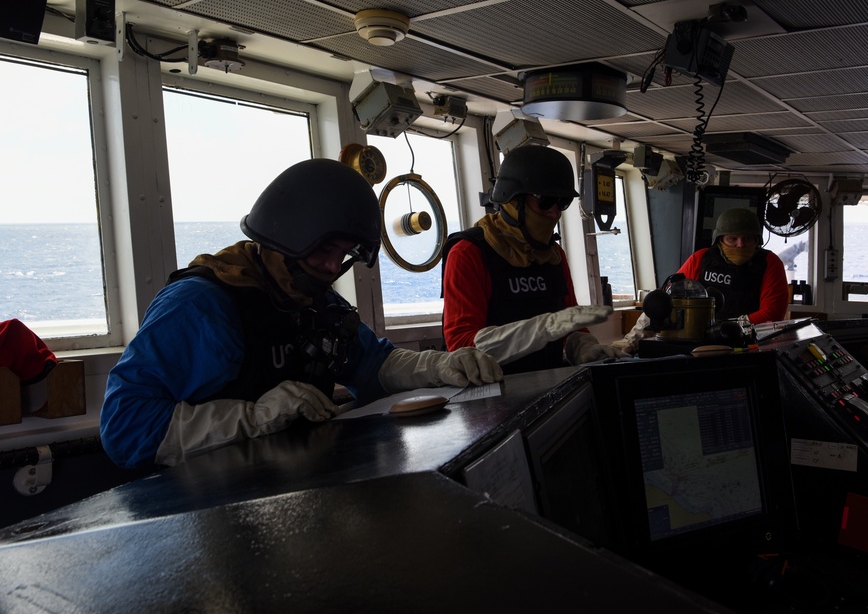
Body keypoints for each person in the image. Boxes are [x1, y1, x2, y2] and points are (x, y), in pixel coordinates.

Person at [100, 159, 502, 469]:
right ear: (286, 236)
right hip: (207, 511)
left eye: (342, 256)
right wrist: (254, 417)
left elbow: (374, 365)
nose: (332, 268)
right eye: (324, 251)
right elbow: (124, 427)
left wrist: (441, 366)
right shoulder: (201, 306)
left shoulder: (315, 302)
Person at [441, 145, 628, 374]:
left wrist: (583, 347)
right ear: (513, 199)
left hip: (549, 386)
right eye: (546, 200)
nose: (554, 213)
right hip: (496, 392)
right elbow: (461, 345)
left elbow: (568, 326)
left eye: (562, 203)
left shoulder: (554, 256)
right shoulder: (469, 254)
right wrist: (539, 330)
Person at [617, 206, 789, 352]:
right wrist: (630, 343)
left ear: (757, 240)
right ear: (720, 239)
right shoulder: (701, 259)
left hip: (746, 345)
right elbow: (663, 302)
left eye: (747, 238)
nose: (740, 244)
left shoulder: (769, 263)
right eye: (733, 238)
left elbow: (772, 314)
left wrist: (724, 328)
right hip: (696, 345)